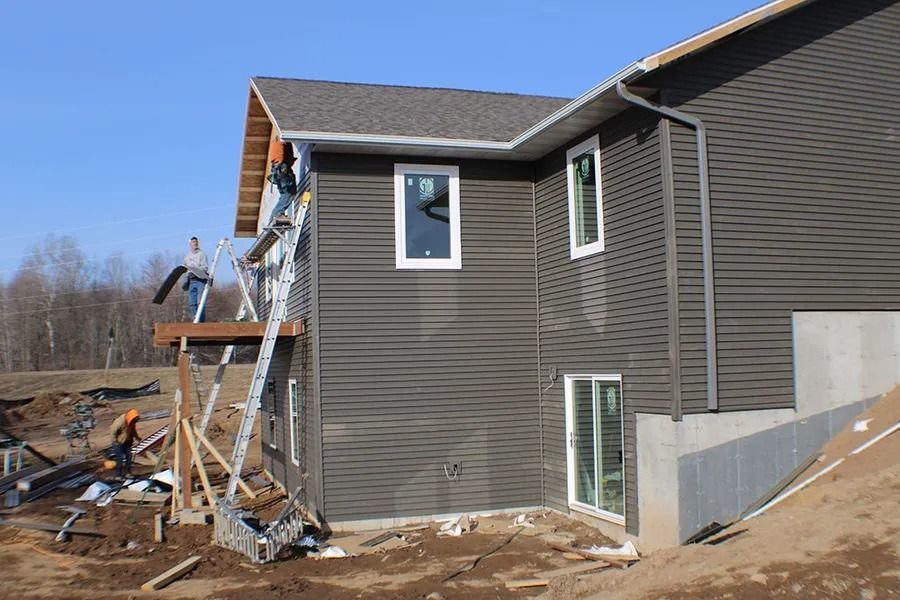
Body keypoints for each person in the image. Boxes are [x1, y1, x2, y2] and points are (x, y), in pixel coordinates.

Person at [184, 236, 209, 322]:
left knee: (200, 302)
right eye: (193, 242)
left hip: (200, 280)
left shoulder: (202, 254)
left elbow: (205, 267)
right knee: (192, 303)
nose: (195, 243)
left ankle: (201, 321)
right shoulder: (187, 257)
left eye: (196, 242)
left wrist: (196, 270)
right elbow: (185, 268)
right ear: (190, 244)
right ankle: (195, 320)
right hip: (191, 280)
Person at [110, 409, 141, 478]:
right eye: (134, 420)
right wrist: (115, 441)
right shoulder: (120, 422)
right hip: (118, 442)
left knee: (129, 457)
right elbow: (112, 431)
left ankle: (128, 473)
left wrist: (137, 438)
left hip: (127, 441)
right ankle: (118, 475)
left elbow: (133, 430)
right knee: (120, 458)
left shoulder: (132, 421)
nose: (135, 422)